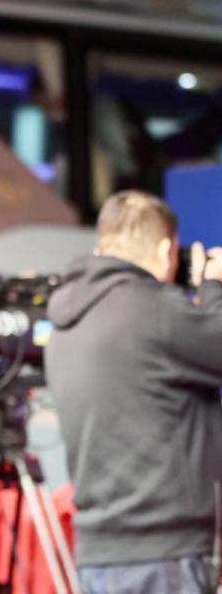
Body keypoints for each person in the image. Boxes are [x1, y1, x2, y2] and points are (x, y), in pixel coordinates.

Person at [45, 190, 222, 593]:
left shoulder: (65, 322)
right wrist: (214, 287)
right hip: (166, 556)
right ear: (164, 250)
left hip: (99, 554)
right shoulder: (155, 310)